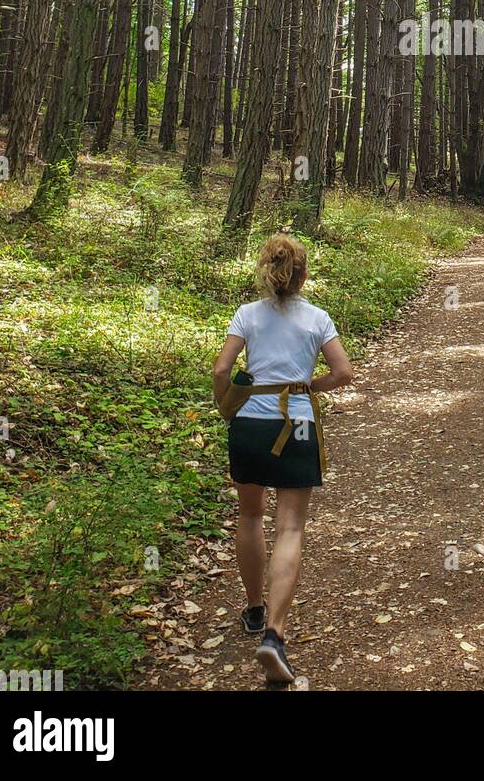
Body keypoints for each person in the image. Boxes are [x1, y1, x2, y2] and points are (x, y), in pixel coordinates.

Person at [213, 232, 353, 683]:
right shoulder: (317, 318)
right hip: (298, 425)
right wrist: (311, 387)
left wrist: (225, 406)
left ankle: (254, 610)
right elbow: (343, 372)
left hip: (251, 425)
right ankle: (274, 635)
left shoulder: (247, 314)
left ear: (264, 268)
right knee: (290, 526)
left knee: (250, 517)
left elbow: (220, 369)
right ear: (303, 272)